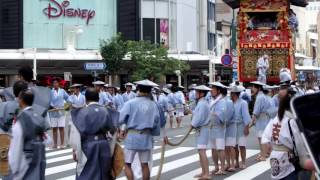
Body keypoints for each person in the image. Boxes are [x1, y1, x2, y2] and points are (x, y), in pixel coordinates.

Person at [261, 85, 310, 179]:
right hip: (288, 161)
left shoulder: (276, 118)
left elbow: (265, 138)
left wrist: (271, 148)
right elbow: (299, 145)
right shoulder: (291, 120)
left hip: (275, 157)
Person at [119, 80, 161, 180]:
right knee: (145, 165)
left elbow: (121, 119)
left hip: (132, 136)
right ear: (150, 91)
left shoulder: (130, 103)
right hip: (146, 136)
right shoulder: (153, 104)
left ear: (138, 89)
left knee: (127, 164)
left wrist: (122, 130)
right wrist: (154, 133)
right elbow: (156, 122)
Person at [70, 88, 115, 180]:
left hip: (88, 145)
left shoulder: (81, 112)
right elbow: (112, 132)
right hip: (104, 144)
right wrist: (111, 149)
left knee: (87, 173)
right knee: (104, 173)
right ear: (98, 98)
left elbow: (75, 133)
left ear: (85, 99)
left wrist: (75, 150)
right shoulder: (106, 111)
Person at [9, 89, 47, 179]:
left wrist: (14, 169)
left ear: (21, 100)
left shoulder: (22, 119)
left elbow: (16, 147)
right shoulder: (38, 116)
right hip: (39, 159)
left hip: (26, 161)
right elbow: (47, 139)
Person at [191, 85, 212, 180]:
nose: (195, 94)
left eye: (197, 92)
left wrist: (193, 124)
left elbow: (198, 118)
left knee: (202, 151)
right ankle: (203, 171)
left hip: (203, 129)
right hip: (201, 129)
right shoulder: (201, 103)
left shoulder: (203, 104)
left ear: (202, 93)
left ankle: (206, 173)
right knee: (200, 151)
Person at [230, 85, 251, 169]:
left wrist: (246, 127)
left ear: (235, 94)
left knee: (242, 145)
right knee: (234, 146)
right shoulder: (231, 102)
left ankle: (243, 162)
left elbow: (246, 115)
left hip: (241, 125)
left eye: (231, 93)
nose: (230, 95)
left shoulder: (243, 103)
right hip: (233, 126)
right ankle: (236, 162)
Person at [208, 82, 227, 175]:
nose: (211, 91)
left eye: (213, 89)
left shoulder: (222, 101)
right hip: (211, 127)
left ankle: (222, 168)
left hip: (219, 127)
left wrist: (215, 114)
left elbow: (222, 115)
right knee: (213, 148)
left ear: (218, 91)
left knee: (220, 148)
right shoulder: (212, 100)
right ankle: (216, 167)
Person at [251, 81, 272, 161]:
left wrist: (253, 120)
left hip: (261, 119)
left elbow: (256, 110)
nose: (252, 89)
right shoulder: (265, 97)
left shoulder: (259, 97)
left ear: (258, 88)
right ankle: (264, 153)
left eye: (254, 87)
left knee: (261, 138)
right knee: (264, 137)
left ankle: (263, 155)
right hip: (266, 118)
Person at [49, 78, 69, 149]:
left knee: (61, 128)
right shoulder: (50, 92)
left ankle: (62, 144)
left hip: (61, 112)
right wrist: (52, 106)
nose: (55, 84)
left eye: (56, 83)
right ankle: (55, 144)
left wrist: (66, 106)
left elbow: (68, 99)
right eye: (54, 83)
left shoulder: (62, 91)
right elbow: (49, 101)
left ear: (59, 84)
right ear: (52, 84)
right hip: (53, 112)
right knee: (54, 128)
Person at [222, 86, 236, 172]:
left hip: (230, 126)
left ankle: (233, 165)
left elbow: (229, 115)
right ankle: (228, 164)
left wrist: (223, 122)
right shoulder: (221, 101)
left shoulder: (229, 102)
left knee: (231, 146)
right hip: (224, 127)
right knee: (225, 147)